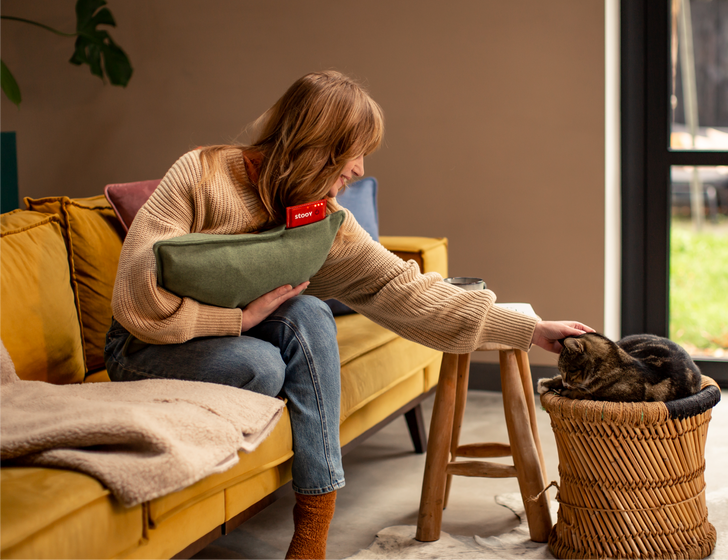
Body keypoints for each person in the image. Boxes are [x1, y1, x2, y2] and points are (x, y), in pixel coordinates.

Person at [104, 70, 594, 560]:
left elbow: (402, 289)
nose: (359, 169)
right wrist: (237, 321)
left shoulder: (320, 217)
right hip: (148, 345)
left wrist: (530, 329)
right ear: (312, 145)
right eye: (351, 152)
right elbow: (135, 297)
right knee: (264, 366)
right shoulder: (202, 173)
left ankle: (312, 536)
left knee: (311, 313)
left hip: (239, 337)